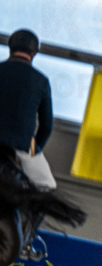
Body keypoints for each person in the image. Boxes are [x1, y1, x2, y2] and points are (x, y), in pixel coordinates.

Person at [0, 29, 56, 190]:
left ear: (10, 48)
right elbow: (46, 126)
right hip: (23, 145)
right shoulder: (41, 81)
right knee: (47, 187)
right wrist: (33, 150)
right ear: (33, 53)